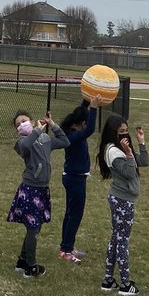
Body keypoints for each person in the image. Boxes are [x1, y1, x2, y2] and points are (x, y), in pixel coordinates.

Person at [7, 109, 69, 278]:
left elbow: (65, 142)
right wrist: (36, 130)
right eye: (18, 124)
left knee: (34, 228)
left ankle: (22, 261)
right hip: (29, 189)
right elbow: (27, 145)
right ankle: (31, 267)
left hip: (42, 189)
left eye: (24, 120)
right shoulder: (21, 142)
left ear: (32, 121)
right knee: (33, 229)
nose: (21, 125)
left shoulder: (46, 139)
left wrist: (52, 124)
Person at [98, 115, 148, 296]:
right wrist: (128, 154)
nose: (125, 135)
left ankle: (108, 280)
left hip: (124, 199)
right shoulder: (113, 151)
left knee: (116, 238)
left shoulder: (122, 148)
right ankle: (125, 284)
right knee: (122, 241)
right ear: (112, 133)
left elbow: (143, 162)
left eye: (126, 131)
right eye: (121, 132)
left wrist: (141, 142)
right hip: (121, 200)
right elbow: (129, 174)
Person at [57, 97, 99, 263]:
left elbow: (80, 116)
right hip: (75, 180)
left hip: (74, 178)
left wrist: (86, 102)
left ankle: (67, 246)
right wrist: (94, 109)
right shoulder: (73, 137)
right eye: (84, 122)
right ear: (81, 123)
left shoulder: (71, 132)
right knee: (74, 215)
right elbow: (89, 130)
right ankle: (66, 251)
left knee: (71, 214)